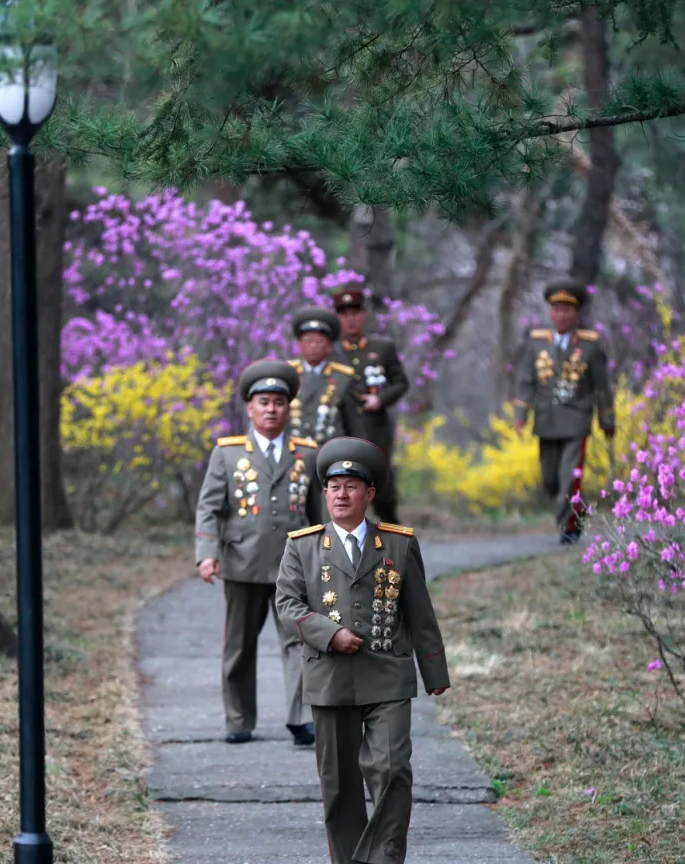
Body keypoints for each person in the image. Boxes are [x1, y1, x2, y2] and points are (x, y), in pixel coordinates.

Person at [275, 436, 450, 864]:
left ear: (369, 494)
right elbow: (287, 605)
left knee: (392, 772)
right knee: (339, 786)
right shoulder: (303, 546)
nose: (341, 494)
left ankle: (382, 858)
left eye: (351, 486)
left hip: (387, 675)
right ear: (325, 492)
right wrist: (327, 634)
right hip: (329, 678)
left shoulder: (398, 544)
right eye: (334, 486)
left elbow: (419, 612)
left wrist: (434, 672)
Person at [195, 359, 323, 746]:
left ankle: (301, 718)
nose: (271, 409)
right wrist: (206, 553)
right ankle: (238, 719)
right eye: (263, 401)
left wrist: (326, 558)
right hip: (243, 563)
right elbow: (210, 507)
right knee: (239, 645)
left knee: (301, 642)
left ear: (288, 408)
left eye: (278, 402)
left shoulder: (308, 453)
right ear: (250, 408)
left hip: (293, 566)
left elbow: (318, 513)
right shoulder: (228, 454)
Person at [511, 278, 615, 545]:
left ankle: (568, 527)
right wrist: (520, 415)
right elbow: (525, 380)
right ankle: (576, 511)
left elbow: (601, 386)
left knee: (569, 477)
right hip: (546, 419)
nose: (561, 315)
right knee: (550, 480)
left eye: (567, 310)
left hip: (576, 419)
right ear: (550, 313)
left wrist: (607, 419)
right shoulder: (537, 343)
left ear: (576, 313)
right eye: (556, 310)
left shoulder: (590, 346)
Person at [330, 287, 410, 524]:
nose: (350, 319)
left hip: (375, 430)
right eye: (344, 314)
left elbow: (400, 383)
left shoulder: (382, 348)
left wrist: (380, 399)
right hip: (341, 431)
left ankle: (394, 545)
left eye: (355, 313)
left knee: (382, 490)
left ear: (364, 315)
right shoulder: (331, 353)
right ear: (338, 318)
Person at [288, 306, 359, 446]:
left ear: (329, 346)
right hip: (293, 449)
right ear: (300, 345)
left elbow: (353, 423)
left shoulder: (343, 378)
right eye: (308, 341)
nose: (313, 346)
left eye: (319, 341)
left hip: (330, 450)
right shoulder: (288, 373)